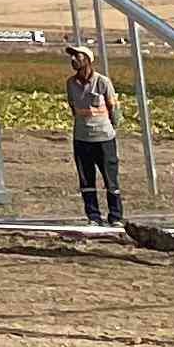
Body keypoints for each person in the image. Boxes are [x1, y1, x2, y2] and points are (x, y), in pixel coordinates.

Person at [65, 44, 123, 225]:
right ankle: (93, 216)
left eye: (78, 57)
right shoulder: (70, 83)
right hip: (82, 138)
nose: (74, 60)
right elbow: (73, 107)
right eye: (73, 57)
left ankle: (115, 217)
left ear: (88, 61)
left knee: (110, 179)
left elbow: (114, 109)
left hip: (104, 137)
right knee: (86, 179)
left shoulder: (102, 82)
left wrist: (111, 126)